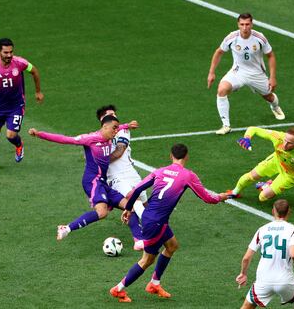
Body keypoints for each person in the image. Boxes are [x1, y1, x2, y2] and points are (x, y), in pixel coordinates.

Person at [110, 144, 227, 302]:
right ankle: (118, 289)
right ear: (186, 156)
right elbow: (208, 198)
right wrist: (221, 197)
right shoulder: (188, 175)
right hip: (156, 222)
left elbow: (136, 190)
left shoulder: (159, 171)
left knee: (172, 246)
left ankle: (154, 284)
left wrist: (129, 208)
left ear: (171, 156)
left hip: (153, 218)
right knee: (147, 260)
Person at [29, 115, 134, 240]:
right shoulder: (90, 138)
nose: (116, 131)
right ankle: (66, 228)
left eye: (117, 128)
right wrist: (39, 134)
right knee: (102, 212)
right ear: (105, 126)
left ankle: (139, 240)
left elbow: (116, 127)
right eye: (114, 128)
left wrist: (127, 125)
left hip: (103, 182)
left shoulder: (109, 134)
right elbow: (64, 139)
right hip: (93, 181)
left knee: (130, 207)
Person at [207, 13, 284, 135]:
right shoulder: (231, 38)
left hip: (257, 74)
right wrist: (211, 72)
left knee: (269, 97)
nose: (244, 27)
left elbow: (270, 55)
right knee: (222, 90)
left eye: (247, 24)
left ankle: (275, 107)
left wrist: (272, 77)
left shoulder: (259, 38)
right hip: (238, 72)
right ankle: (226, 125)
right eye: (242, 24)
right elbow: (219, 52)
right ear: (238, 24)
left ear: (252, 24)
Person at [0, 38, 44, 172]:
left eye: (11, 52)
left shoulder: (20, 62)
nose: (9, 55)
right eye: (5, 52)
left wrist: (38, 91)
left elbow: (35, 71)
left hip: (16, 106)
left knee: (10, 135)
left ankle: (19, 144)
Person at [236, 199, 294, 308]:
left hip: (263, 280)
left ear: (273, 211)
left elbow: (246, 258)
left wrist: (243, 274)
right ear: (289, 211)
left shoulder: (262, 230)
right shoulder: (293, 230)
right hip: (285, 280)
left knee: (247, 306)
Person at [96, 105, 147, 249]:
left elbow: (119, 152)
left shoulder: (123, 130)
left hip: (131, 174)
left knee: (144, 206)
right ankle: (140, 239)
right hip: (116, 178)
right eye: (111, 115)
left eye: (115, 114)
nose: (115, 117)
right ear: (103, 120)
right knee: (132, 201)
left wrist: (99, 161)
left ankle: (150, 232)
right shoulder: (97, 137)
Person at [226, 126, 294, 204]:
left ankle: (266, 185)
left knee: (262, 197)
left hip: (291, 174)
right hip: (276, 161)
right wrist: (247, 138)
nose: (285, 145)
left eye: (289, 143)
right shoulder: (278, 137)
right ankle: (235, 192)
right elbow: (253, 129)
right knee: (250, 176)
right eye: (285, 140)